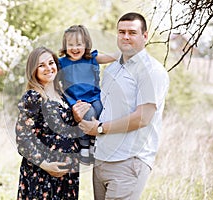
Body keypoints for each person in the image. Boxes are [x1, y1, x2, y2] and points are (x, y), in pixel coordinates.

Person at [74, 12, 170, 199]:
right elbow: (105, 108)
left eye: (132, 32)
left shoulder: (151, 71)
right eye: (121, 32)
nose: (125, 36)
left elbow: (142, 118)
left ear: (144, 36)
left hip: (128, 161)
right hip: (102, 159)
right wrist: (83, 113)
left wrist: (99, 129)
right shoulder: (112, 69)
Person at [15, 46, 90, 200]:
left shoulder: (62, 96)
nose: (48, 68)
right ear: (33, 70)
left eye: (51, 63)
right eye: (41, 65)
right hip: (42, 174)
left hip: (67, 175)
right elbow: (23, 138)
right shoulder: (34, 97)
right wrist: (45, 164)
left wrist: (76, 119)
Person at [58, 25, 118, 165]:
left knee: (100, 109)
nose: (75, 48)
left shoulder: (91, 58)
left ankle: (93, 141)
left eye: (79, 44)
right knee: (88, 112)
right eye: (70, 44)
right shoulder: (62, 63)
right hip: (75, 99)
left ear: (86, 44)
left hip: (94, 96)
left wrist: (124, 53)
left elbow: (110, 57)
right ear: (65, 46)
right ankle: (84, 145)